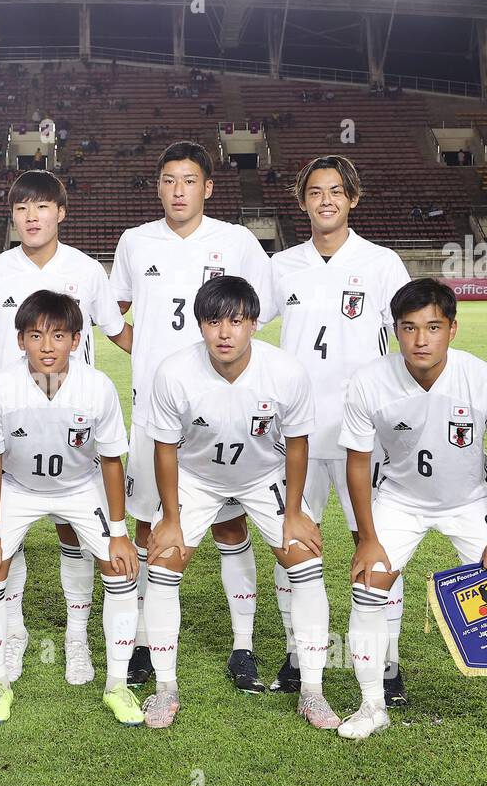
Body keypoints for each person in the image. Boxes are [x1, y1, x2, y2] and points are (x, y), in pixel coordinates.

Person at [337, 278, 487, 757]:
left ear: (453, 328)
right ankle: (372, 706)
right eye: (409, 329)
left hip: (470, 501)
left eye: (432, 327)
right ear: (395, 332)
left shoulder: (484, 380)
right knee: (369, 587)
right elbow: (357, 463)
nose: (421, 340)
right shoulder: (370, 382)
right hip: (401, 500)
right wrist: (367, 538)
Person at [110, 140, 273, 694]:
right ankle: (138, 643)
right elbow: (113, 315)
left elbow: (257, 315)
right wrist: (152, 360)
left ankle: (244, 645)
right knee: (146, 524)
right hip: (154, 409)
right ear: (158, 187)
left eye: (189, 181)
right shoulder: (135, 242)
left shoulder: (239, 241)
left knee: (230, 523)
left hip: (222, 407)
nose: (178, 191)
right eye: (168, 181)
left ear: (208, 187)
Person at [0, 169, 132, 685]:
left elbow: (117, 332)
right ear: (12, 217)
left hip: (75, 426)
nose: (31, 217)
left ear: (61, 212)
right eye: (21, 209)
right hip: (16, 419)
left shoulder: (86, 271)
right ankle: (14, 633)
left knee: (72, 532)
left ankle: (77, 639)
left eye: (41, 207)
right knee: (3, 543)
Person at [142, 276, 334, 730]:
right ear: (200, 326)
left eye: (235, 321)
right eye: (213, 322)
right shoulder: (174, 372)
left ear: (253, 323)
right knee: (163, 561)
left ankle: (312, 691)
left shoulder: (285, 371)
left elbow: (299, 444)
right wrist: (170, 519)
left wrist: (294, 512)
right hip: (198, 477)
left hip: (263, 474)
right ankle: (165, 688)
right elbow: (165, 450)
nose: (224, 333)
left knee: (303, 558)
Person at [262, 155, 413, 705]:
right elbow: (244, 324)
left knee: (371, 544)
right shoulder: (282, 265)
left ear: (353, 198)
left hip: (362, 434)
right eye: (315, 192)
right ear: (302, 202)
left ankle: (388, 660)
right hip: (295, 431)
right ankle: (299, 655)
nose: (325, 200)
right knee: (292, 543)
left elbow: (408, 341)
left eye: (336, 192)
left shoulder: (381, 262)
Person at [0, 291, 141, 725]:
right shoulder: (1, 388)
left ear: (77, 339)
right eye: (36, 335)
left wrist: (118, 531)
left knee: (120, 568)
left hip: (80, 486)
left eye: (59, 335)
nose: (47, 347)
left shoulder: (97, 387)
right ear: (20, 340)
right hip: (18, 486)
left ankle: (100, 666)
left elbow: (112, 461)